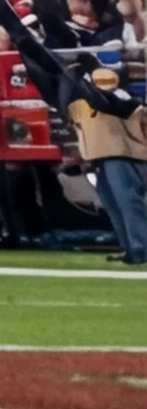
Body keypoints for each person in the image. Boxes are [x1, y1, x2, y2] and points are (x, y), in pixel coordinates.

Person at [72, 54, 147, 268]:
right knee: (114, 204)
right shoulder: (109, 97)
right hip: (106, 155)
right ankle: (131, 248)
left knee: (128, 203)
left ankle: (141, 249)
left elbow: (102, 101)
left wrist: (83, 78)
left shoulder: (122, 97)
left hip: (126, 155)